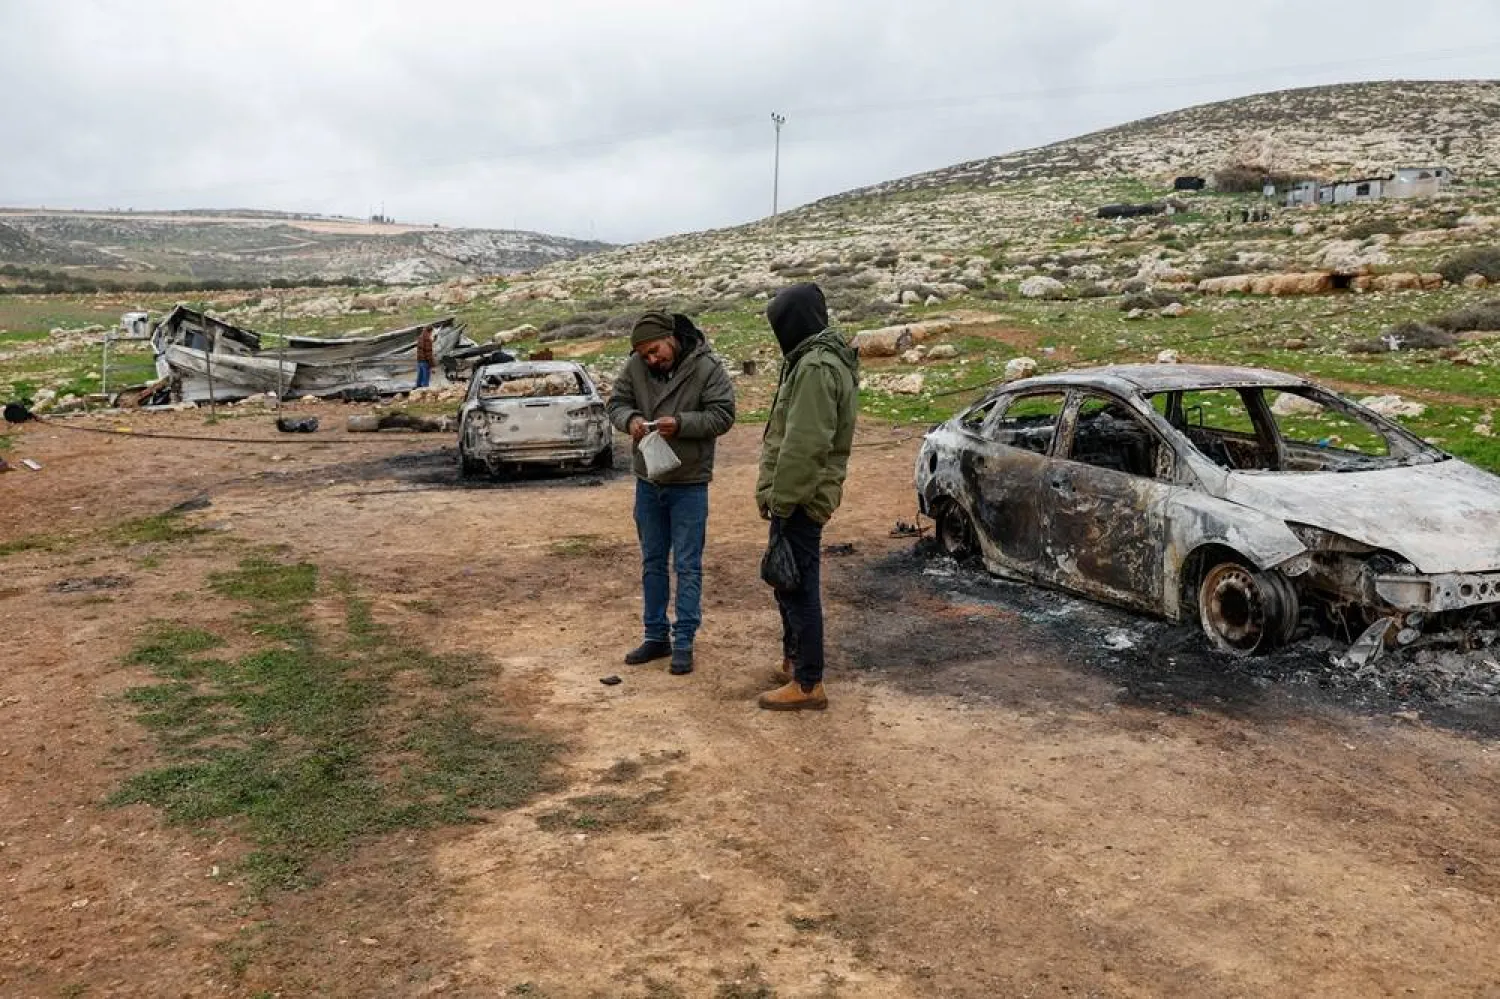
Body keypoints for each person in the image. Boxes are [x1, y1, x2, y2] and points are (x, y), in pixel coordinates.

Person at [607, 311, 736, 675]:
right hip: (648, 481)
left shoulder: (707, 368)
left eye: (655, 351)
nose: (651, 359)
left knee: (687, 565)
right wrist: (630, 420)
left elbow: (723, 415)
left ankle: (684, 641)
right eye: (644, 355)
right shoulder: (635, 367)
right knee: (652, 561)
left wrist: (681, 424)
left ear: (671, 338)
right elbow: (616, 403)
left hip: (689, 482)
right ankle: (655, 635)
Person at [755, 283, 859, 711]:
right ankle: (795, 662)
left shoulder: (816, 365)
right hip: (798, 494)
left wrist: (782, 500)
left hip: (801, 498)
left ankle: (809, 682)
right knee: (787, 582)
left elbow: (805, 444)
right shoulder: (813, 360)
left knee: (798, 588)